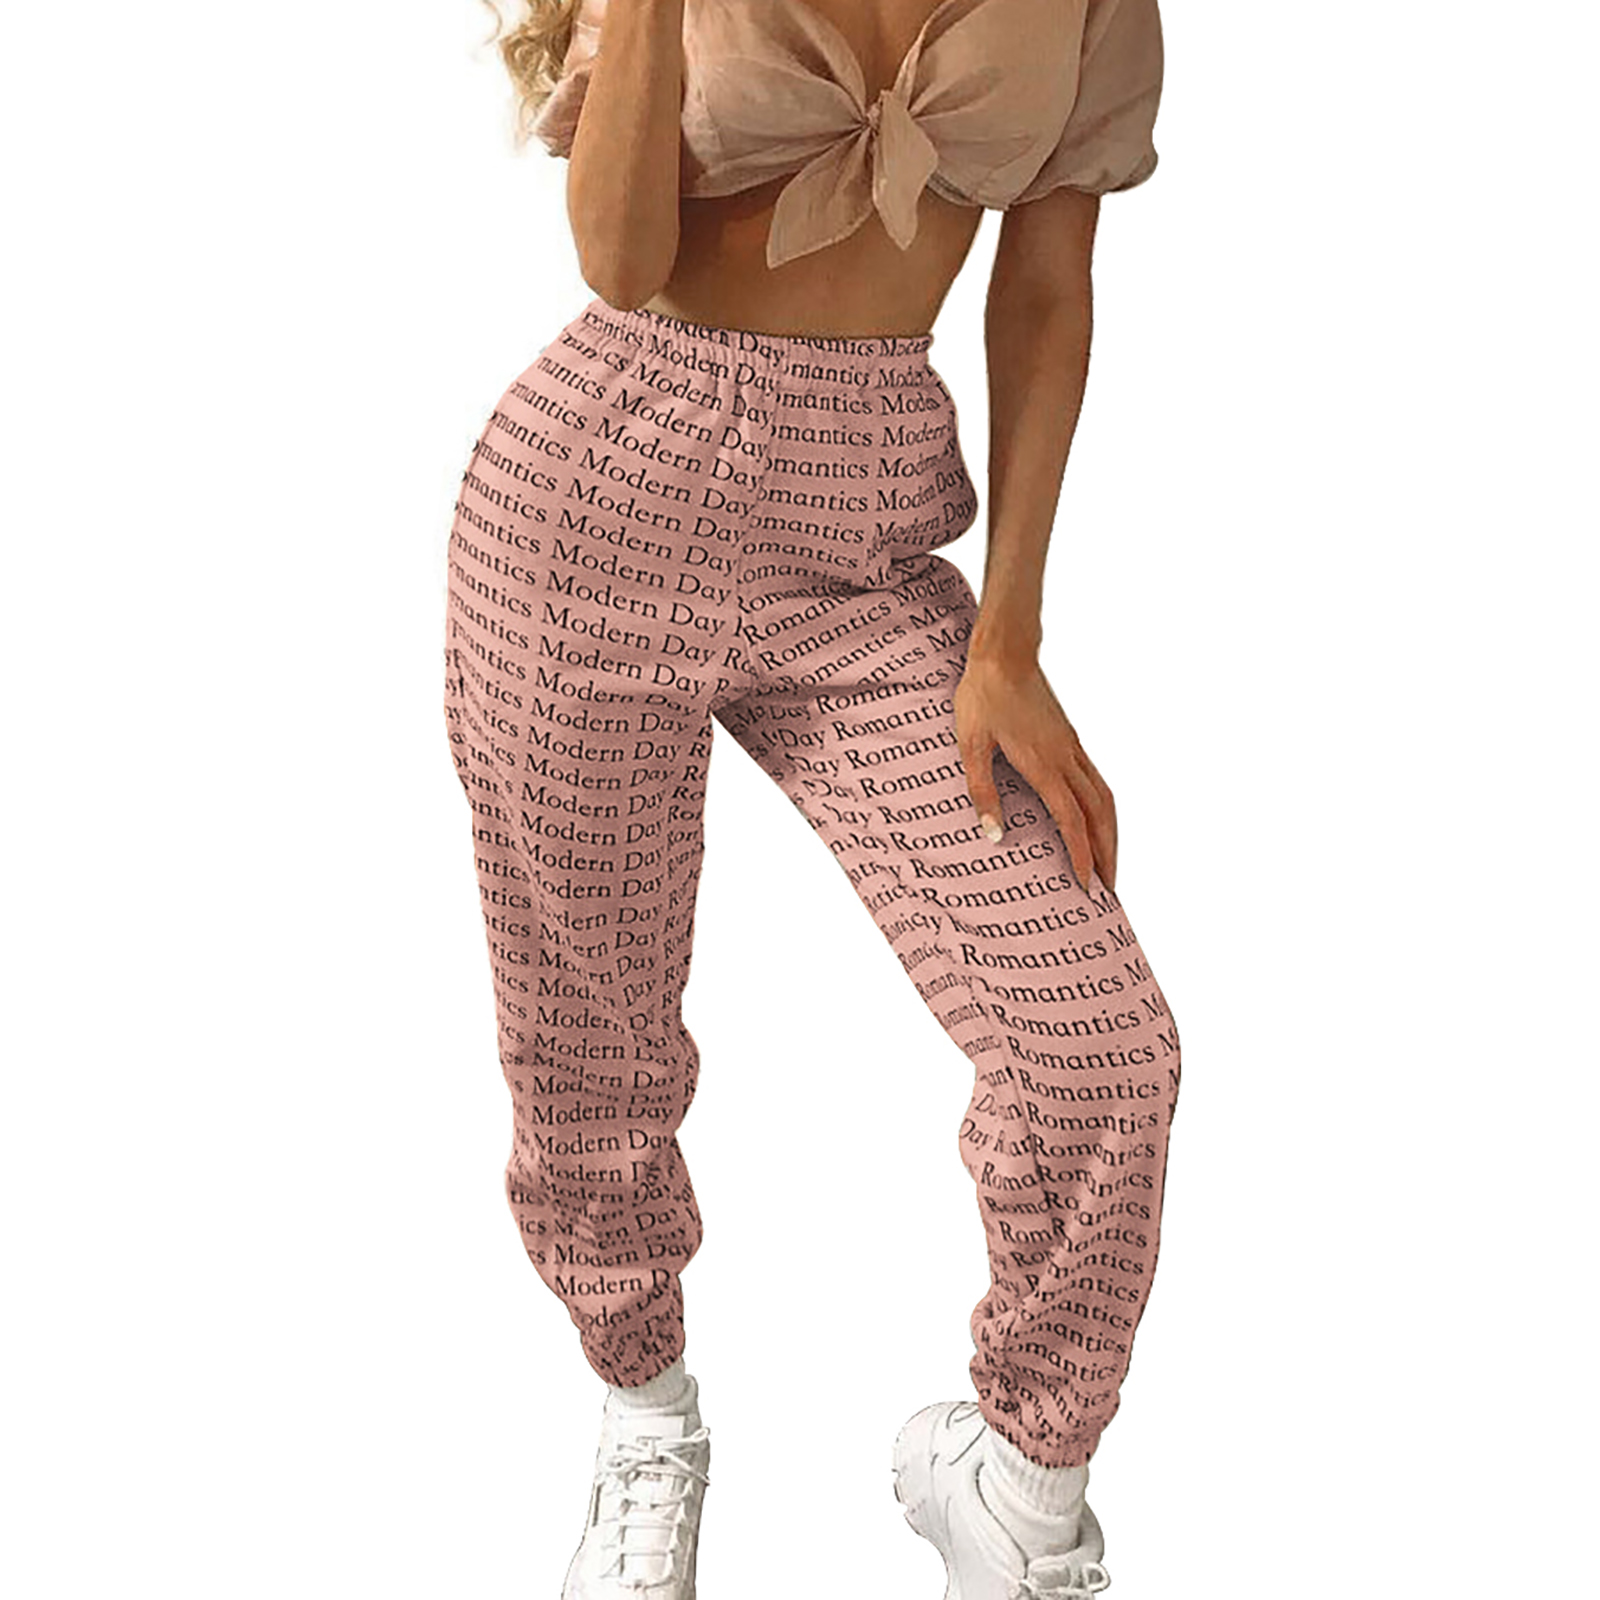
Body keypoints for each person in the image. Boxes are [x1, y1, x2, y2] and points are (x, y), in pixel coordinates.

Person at [441, 0, 1180, 1595]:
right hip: (588, 516)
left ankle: (1018, 1487)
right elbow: (619, 260)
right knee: (592, 1038)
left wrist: (1007, 635)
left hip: (862, 553)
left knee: (1099, 1047)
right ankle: (646, 1421)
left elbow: (1046, 291)